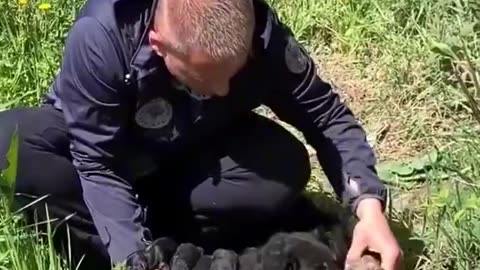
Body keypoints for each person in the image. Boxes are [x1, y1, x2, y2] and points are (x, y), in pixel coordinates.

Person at [0, 0, 402, 269]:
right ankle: (148, 250)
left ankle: (173, 240)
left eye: (234, 72)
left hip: (187, 161)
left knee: (283, 164)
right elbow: (96, 162)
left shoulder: (261, 30)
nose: (224, 91)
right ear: (159, 46)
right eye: (203, 79)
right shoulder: (102, 38)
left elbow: (325, 115)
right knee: (12, 143)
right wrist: (134, 257)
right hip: (106, 159)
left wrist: (368, 206)